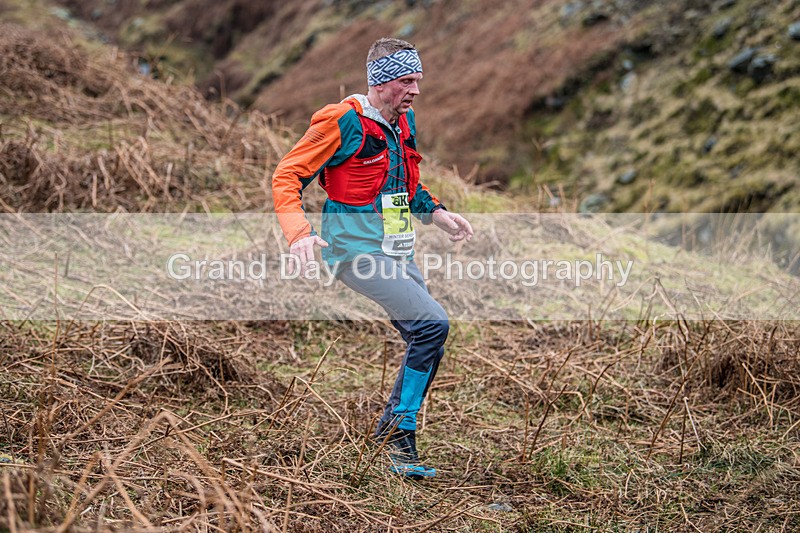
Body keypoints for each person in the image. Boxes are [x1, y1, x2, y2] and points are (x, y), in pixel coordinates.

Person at [272, 37, 473, 478]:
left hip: (397, 247)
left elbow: (401, 185)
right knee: (432, 325)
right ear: (381, 84)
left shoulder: (403, 120)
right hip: (354, 251)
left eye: (418, 80)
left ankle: (392, 435)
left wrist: (437, 212)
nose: (416, 90)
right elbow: (287, 175)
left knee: (429, 336)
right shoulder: (342, 121)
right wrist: (298, 234)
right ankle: (396, 442)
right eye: (406, 80)